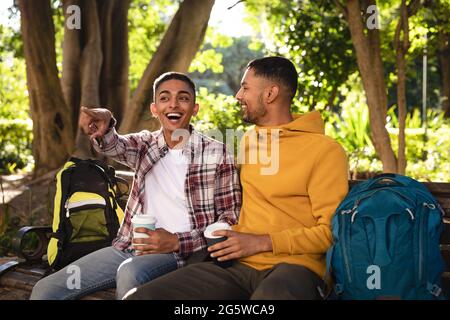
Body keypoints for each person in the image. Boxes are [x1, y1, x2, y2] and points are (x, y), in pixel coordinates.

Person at [125, 56, 349, 300]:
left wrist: (263, 242)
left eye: (245, 87)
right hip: (237, 264)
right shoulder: (249, 140)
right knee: (141, 297)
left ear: (270, 94)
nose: (238, 95)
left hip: (296, 267)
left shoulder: (325, 151)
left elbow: (330, 233)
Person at [30, 72, 241, 300]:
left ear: (195, 108)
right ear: (154, 109)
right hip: (128, 248)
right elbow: (114, 145)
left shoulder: (215, 152)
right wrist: (106, 122)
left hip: (182, 254)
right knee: (46, 290)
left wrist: (177, 242)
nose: (173, 104)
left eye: (183, 98)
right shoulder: (145, 144)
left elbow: (230, 216)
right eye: (164, 98)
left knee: (130, 273)